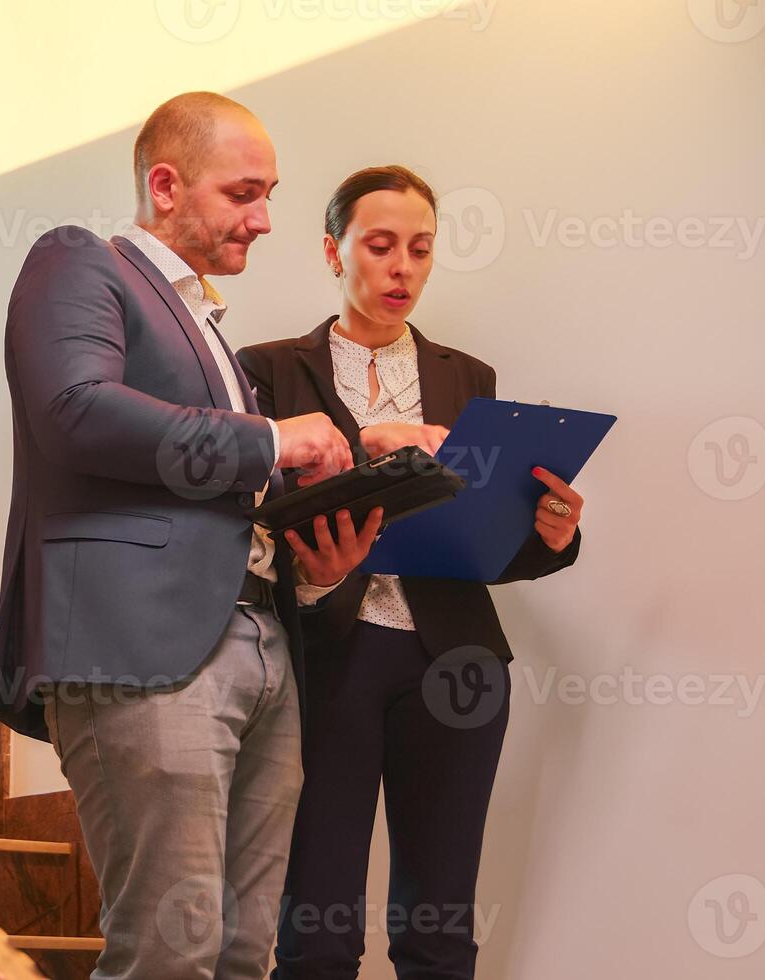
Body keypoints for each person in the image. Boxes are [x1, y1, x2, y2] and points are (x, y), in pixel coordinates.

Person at [0, 92, 380, 979]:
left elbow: (225, 479)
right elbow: (74, 411)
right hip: (144, 648)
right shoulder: (81, 262)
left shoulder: (211, 332)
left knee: (241, 955)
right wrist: (275, 438)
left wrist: (342, 485)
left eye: (270, 194)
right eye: (244, 194)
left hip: (267, 643)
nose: (265, 219)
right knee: (169, 953)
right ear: (165, 185)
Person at [236, 165, 588, 980]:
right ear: (333, 250)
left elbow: (484, 539)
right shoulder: (267, 369)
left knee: (438, 937)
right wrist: (370, 447)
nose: (402, 268)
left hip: (455, 663)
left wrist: (553, 533)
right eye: (381, 245)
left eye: (421, 250)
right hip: (326, 656)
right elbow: (253, 510)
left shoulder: (470, 378)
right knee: (316, 935)